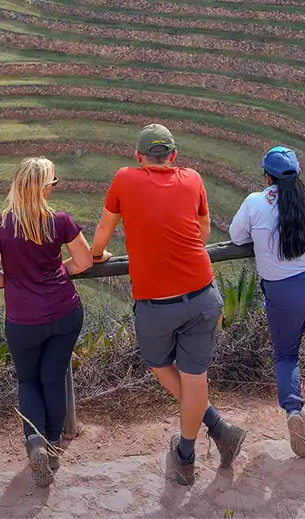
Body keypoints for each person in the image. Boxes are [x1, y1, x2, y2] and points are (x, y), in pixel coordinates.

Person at [90, 124, 246, 485]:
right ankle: (197, 448)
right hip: (203, 295)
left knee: (159, 364)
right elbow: (203, 232)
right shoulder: (192, 179)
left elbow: (103, 230)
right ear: (174, 156)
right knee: (196, 379)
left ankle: (206, 440)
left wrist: (97, 255)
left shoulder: (125, 179)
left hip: (157, 304)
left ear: (139, 157)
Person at [0, 157, 95, 487]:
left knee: (28, 381)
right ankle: (53, 445)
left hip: (23, 319)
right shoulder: (59, 220)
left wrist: (15, 281)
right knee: (53, 378)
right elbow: (84, 261)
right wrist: (56, 274)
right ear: (46, 189)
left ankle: (34, 442)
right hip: (64, 311)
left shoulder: (0, 225)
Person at [228, 146, 305, 457]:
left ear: (267, 177)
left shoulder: (255, 203)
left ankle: (294, 411)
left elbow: (237, 237)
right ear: (299, 174)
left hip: (283, 292)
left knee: (287, 355)